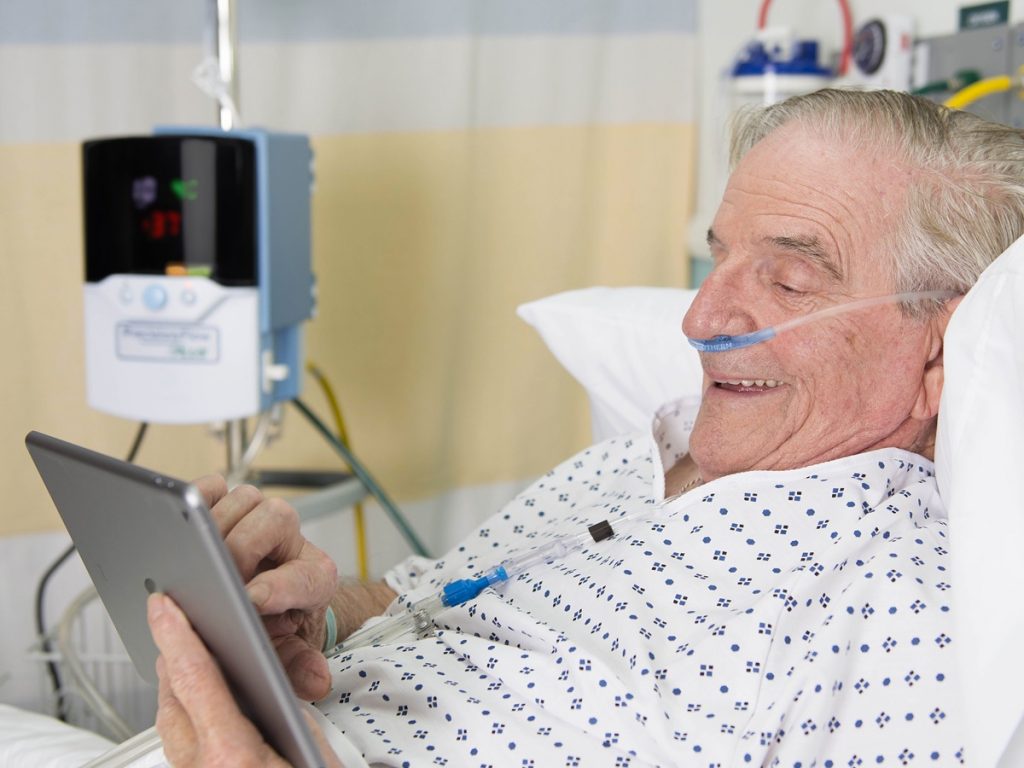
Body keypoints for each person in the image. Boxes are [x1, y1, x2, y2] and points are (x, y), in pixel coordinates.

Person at [147, 88, 1024, 767]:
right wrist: (306, 617)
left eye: (789, 282)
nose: (700, 319)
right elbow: (420, 598)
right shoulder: (632, 461)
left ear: (941, 354)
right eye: (719, 259)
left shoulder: (897, 609)